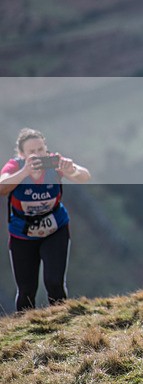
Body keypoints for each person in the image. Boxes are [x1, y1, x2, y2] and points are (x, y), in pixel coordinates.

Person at [0, 128, 91, 311]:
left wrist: (72, 170)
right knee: (26, 290)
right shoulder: (15, 166)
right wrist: (25, 172)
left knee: (55, 283)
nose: (38, 155)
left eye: (40, 149)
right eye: (32, 152)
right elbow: (2, 186)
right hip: (22, 235)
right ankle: (26, 327)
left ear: (46, 149)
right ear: (22, 154)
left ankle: (61, 321)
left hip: (55, 230)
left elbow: (84, 176)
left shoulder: (54, 163)